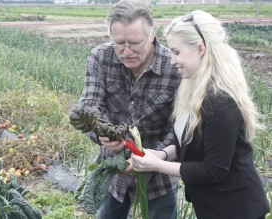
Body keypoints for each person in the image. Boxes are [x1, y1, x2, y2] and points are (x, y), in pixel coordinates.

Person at [131, 10, 270, 219]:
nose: (172, 60)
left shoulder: (220, 100)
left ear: (200, 49)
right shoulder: (193, 90)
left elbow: (214, 170)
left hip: (236, 209)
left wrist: (158, 165)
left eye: (176, 52)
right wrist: (162, 154)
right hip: (213, 206)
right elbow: (188, 144)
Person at [76, 0, 180, 218]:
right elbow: (89, 107)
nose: (126, 51)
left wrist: (151, 157)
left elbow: (179, 129)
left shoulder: (174, 66)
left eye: (134, 43)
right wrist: (102, 134)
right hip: (113, 169)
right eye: (119, 43)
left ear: (152, 35)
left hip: (158, 174)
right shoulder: (101, 57)